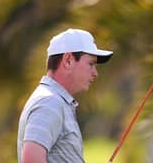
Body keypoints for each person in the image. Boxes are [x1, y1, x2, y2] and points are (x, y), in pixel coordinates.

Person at [17, 28, 113, 163]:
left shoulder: (54, 101)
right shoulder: (49, 102)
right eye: (90, 64)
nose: (95, 73)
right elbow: (31, 160)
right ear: (68, 60)